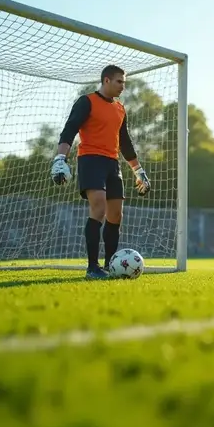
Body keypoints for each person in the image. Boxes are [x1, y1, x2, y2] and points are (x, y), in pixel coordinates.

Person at [50, 64, 151, 280]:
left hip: (112, 164)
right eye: (119, 81)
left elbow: (125, 142)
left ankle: (110, 265)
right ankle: (92, 267)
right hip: (90, 160)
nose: (123, 86)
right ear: (106, 80)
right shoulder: (87, 101)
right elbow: (70, 129)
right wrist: (60, 158)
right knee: (99, 207)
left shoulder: (120, 109)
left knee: (116, 215)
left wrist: (138, 171)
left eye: (124, 82)